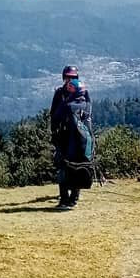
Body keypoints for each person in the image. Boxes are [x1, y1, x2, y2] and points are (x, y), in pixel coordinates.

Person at [50, 66, 93, 209]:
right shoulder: (61, 93)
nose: (70, 79)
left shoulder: (82, 93)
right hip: (64, 135)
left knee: (77, 165)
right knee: (63, 165)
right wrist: (54, 134)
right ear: (64, 77)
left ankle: (73, 198)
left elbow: (88, 116)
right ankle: (64, 199)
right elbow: (53, 115)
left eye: (73, 77)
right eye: (68, 77)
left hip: (77, 136)